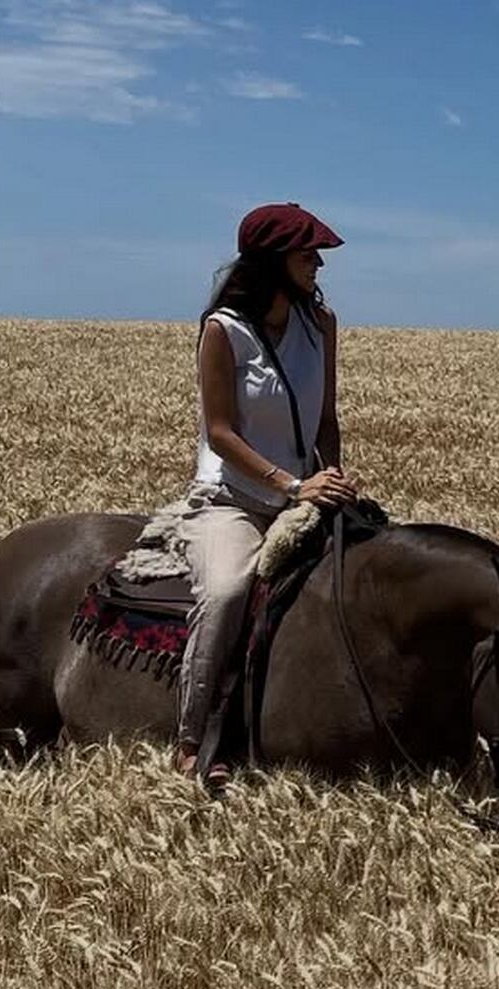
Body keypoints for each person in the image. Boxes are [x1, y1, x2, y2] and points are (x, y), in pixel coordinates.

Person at [174, 203, 358, 781]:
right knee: (228, 591)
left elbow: (326, 418)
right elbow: (222, 434)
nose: (318, 264)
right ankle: (194, 738)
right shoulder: (223, 331)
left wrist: (336, 478)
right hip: (235, 500)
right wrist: (293, 483)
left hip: (308, 495)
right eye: (308, 254)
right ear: (274, 260)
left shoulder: (320, 326)